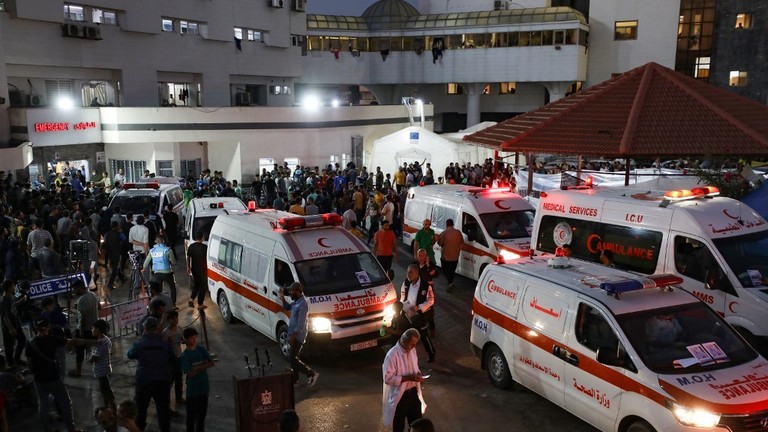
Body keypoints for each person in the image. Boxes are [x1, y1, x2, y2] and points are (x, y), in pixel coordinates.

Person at [25, 317, 78, 432]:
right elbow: (70, 342)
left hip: (39, 380)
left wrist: (35, 374)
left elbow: (29, 363)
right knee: (65, 404)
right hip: (53, 378)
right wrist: (93, 342)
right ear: (48, 327)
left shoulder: (30, 343)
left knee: (43, 405)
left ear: (36, 328)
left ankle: (47, 429)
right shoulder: (52, 339)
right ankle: (71, 428)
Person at [127, 316, 173, 432]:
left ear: (144, 329)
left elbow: (130, 355)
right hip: (162, 380)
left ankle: (140, 428)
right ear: (157, 328)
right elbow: (173, 360)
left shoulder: (139, 345)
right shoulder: (165, 344)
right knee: (163, 409)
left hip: (144, 381)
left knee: (141, 409)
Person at [382, 328, 427, 432]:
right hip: (400, 397)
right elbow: (388, 379)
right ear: (404, 341)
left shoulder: (412, 350)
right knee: (399, 426)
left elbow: (415, 367)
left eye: (415, 344)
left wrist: (418, 374)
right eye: (412, 344)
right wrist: (409, 378)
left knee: (417, 424)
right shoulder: (392, 355)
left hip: (413, 394)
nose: (414, 347)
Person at [279, 282, 319, 387]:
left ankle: (311, 374)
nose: (290, 293)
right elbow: (287, 307)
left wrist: (293, 336)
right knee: (293, 358)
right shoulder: (296, 302)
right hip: (292, 334)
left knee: (293, 358)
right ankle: (295, 380)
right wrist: (282, 298)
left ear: (298, 291)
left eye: (292, 291)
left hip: (298, 336)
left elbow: (301, 324)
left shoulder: (303, 304)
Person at [180, 327, 215, 432]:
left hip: (204, 387)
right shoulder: (185, 355)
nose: (194, 340)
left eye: (195, 337)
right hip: (193, 390)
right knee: (191, 416)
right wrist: (204, 365)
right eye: (191, 338)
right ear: (186, 340)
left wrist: (197, 367)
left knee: (202, 415)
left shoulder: (201, 349)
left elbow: (212, 363)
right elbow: (190, 373)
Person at [400, 265, 436, 363]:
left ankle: (431, 353)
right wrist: (403, 306)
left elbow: (431, 300)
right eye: (408, 271)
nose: (408, 274)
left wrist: (418, 307)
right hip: (408, 315)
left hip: (420, 315)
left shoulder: (425, 285)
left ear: (417, 273)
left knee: (424, 336)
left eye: (411, 272)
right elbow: (403, 296)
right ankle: (407, 356)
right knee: (406, 335)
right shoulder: (406, 283)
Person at [70, 279, 98, 377]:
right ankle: (103, 369)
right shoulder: (93, 295)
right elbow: (99, 307)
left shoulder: (81, 300)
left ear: (80, 288)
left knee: (80, 350)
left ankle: (78, 371)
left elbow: (82, 318)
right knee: (97, 348)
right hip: (95, 328)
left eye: (75, 289)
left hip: (85, 329)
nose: (74, 291)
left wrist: (81, 331)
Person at [144, 234, 177, 308]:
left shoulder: (152, 251)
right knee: (172, 287)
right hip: (167, 272)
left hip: (157, 273)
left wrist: (143, 268)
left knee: (157, 290)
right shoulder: (167, 250)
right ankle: (173, 305)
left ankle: (158, 306)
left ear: (155, 241)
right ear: (163, 241)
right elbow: (173, 261)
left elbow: (147, 261)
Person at [163, 309, 185, 415]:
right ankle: (166, 404)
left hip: (179, 357)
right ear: (168, 320)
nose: (175, 320)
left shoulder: (180, 329)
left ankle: (179, 397)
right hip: (170, 360)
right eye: (173, 318)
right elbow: (164, 347)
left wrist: (184, 340)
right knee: (170, 381)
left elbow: (182, 340)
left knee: (179, 379)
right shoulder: (166, 332)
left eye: (176, 318)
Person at [0, 281, 27, 367]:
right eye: (12, 286)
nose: (14, 287)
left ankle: (17, 358)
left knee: (22, 341)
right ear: (8, 288)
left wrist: (21, 301)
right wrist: (11, 329)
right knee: (9, 347)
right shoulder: (3, 301)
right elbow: (4, 317)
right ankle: (11, 365)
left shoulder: (11, 296)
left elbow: (13, 305)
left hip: (16, 324)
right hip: (9, 328)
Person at [437, 218, 464, 293]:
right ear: (453, 224)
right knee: (452, 270)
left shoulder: (444, 233)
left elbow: (439, 243)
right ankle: (450, 281)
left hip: (446, 256)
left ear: (446, 224)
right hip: (455, 256)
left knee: (446, 269)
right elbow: (462, 242)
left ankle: (449, 281)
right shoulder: (458, 232)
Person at [186, 230, 209, 308]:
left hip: (194, 269)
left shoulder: (191, 246)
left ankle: (191, 299)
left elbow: (188, 257)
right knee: (203, 286)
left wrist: (188, 267)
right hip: (202, 270)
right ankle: (200, 304)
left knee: (196, 285)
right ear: (202, 238)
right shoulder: (205, 247)